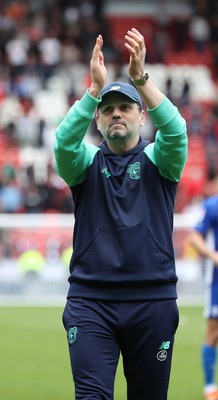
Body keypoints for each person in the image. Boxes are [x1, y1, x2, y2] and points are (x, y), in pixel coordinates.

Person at [54, 28, 188, 400]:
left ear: (141, 115)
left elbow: (176, 132)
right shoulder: (84, 164)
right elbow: (64, 142)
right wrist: (93, 90)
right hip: (90, 301)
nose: (116, 114)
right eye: (108, 110)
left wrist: (140, 79)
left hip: (154, 300)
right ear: (97, 120)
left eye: (125, 107)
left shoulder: (159, 159)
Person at [186, 175, 218, 400]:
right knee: (214, 332)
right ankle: (209, 388)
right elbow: (194, 238)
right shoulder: (212, 206)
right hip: (217, 281)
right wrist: (213, 255)